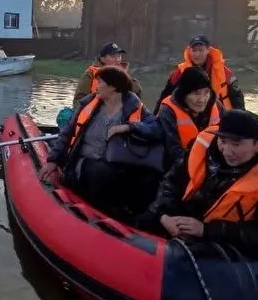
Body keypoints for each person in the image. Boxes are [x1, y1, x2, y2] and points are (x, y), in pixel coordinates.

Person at [136, 109, 258, 260]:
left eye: (236, 144)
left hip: (227, 248)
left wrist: (206, 231)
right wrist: (165, 216)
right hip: (180, 223)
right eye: (223, 141)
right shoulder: (203, 151)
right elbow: (171, 183)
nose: (227, 151)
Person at [39, 65, 163, 219]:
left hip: (119, 163)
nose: (96, 86)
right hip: (86, 162)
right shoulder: (88, 103)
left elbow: (156, 129)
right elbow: (67, 132)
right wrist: (53, 160)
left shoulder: (134, 105)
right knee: (102, 172)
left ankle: (139, 219)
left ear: (113, 87)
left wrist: (129, 126)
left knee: (148, 178)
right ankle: (100, 216)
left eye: (100, 83)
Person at [153, 35, 244, 114]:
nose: (196, 54)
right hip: (191, 115)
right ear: (189, 50)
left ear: (208, 50)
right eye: (194, 50)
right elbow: (164, 97)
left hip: (221, 117)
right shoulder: (179, 72)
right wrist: (155, 118)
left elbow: (237, 98)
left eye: (200, 50)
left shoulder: (224, 72)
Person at [157, 66, 224, 164]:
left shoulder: (217, 105)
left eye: (206, 92)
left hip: (213, 161)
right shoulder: (168, 111)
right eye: (196, 93)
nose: (202, 99)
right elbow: (174, 152)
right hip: (179, 166)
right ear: (184, 94)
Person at [73, 42, 144, 109]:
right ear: (102, 58)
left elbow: (137, 94)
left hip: (119, 116)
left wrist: (124, 78)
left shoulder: (124, 73)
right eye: (113, 56)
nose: (117, 60)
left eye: (119, 56)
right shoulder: (90, 74)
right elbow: (78, 100)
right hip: (95, 115)